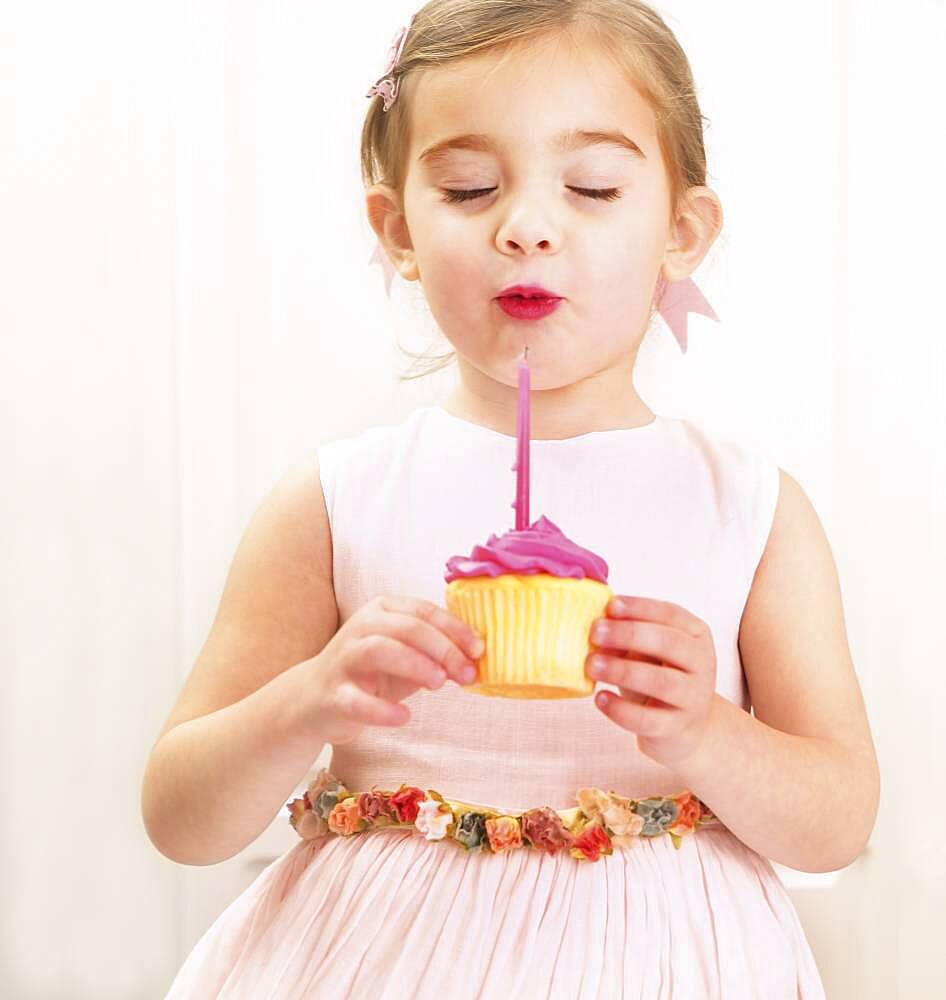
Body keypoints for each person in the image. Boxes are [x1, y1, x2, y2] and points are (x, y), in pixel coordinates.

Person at [145, 2, 879, 996]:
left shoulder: (747, 507)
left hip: (660, 964)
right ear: (397, 228)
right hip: (380, 962)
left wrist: (706, 729)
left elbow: (837, 818)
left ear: (682, 230)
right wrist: (303, 701)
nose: (526, 226)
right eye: (469, 186)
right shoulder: (334, 500)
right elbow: (181, 818)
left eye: (592, 186)